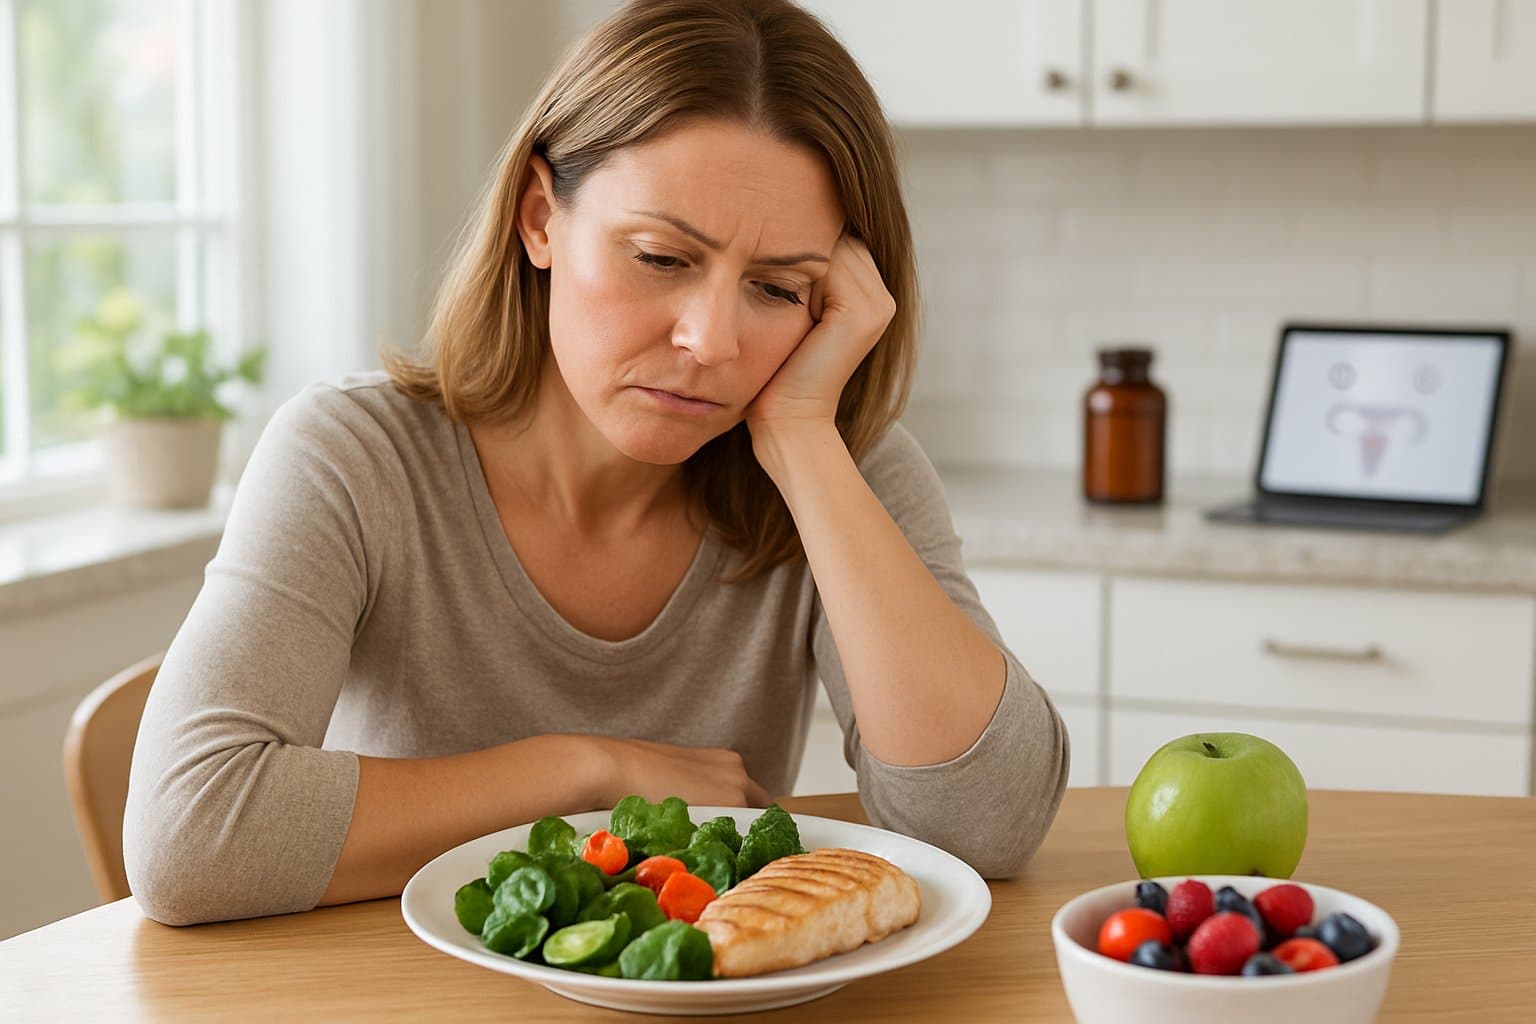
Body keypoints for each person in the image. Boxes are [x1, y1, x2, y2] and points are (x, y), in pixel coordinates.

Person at [124, 0, 1069, 927]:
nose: (710, 339)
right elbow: (190, 837)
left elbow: (986, 827)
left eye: (779, 288)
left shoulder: (836, 470)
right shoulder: (353, 460)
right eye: (661, 257)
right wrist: (590, 772)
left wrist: (805, 445)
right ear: (541, 217)